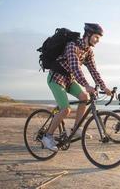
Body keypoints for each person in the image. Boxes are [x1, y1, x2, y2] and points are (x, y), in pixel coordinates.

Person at [42, 23, 112, 152]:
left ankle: (76, 129)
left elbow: (94, 71)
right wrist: (86, 85)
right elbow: (75, 68)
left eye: (99, 38)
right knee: (66, 110)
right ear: (88, 34)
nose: (98, 40)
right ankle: (47, 136)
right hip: (56, 78)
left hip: (69, 80)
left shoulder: (88, 51)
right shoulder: (72, 45)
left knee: (84, 97)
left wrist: (104, 87)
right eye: (96, 37)